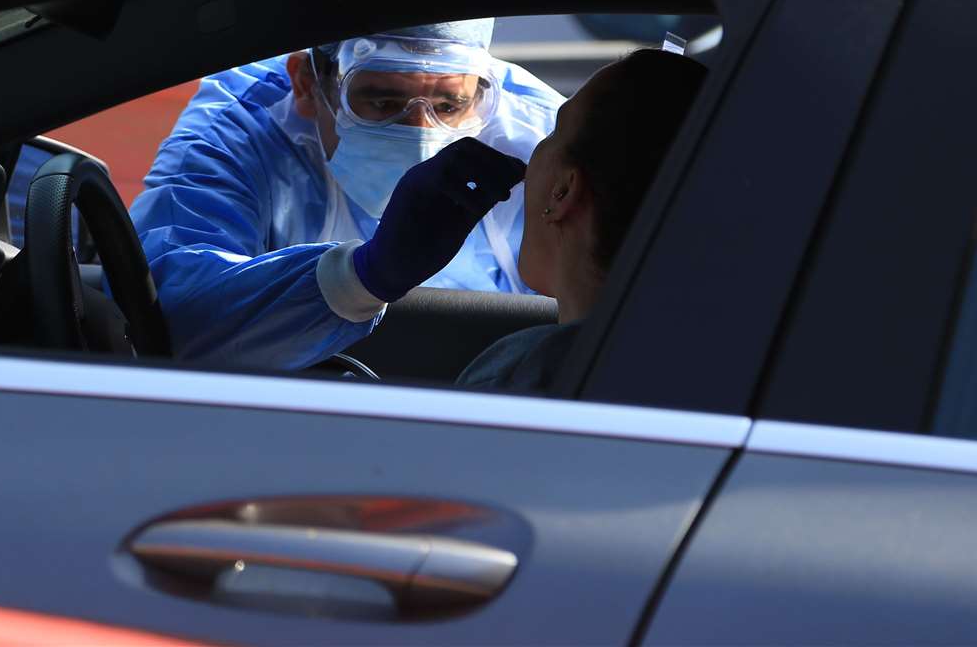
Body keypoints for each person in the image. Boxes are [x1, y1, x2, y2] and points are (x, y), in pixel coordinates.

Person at [129, 20, 563, 370]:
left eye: (448, 106)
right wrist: (359, 277)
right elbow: (167, 318)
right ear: (307, 83)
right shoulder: (239, 132)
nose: (420, 135)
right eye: (381, 102)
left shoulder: (540, 134)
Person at [458, 48, 708, 393]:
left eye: (552, 133)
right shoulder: (719, 354)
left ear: (562, 192)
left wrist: (363, 285)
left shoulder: (523, 375)